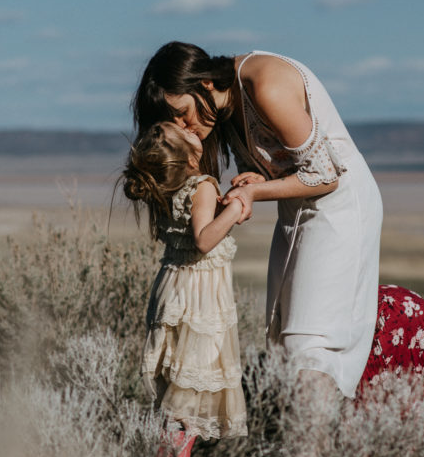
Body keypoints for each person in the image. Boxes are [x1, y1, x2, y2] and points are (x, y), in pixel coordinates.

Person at [133, 42, 382, 400]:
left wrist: (253, 192)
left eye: (183, 113)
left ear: (204, 83)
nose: (186, 128)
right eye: (174, 123)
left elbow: (328, 175)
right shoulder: (225, 107)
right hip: (297, 210)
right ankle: (307, 433)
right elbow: (285, 163)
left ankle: (314, 437)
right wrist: (259, 178)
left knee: (310, 343)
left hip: (340, 207)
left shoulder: (265, 86)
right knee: (282, 340)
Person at [121, 121, 249, 457]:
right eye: (184, 132)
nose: (188, 125)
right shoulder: (202, 186)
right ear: (190, 157)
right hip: (199, 296)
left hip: (172, 288)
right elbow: (204, 240)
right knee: (193, 384)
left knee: (178, 383)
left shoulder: (165, 186)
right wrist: (236, 208)